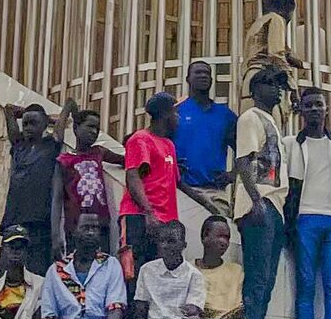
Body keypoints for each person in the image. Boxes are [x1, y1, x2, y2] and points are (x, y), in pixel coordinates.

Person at [284, 86, 331, 319]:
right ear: (300, 109)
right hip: (304, 221)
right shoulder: (291, 144)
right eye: (309, 105)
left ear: (327, 108)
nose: (314, 109)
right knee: (306, 285)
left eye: (319, 104)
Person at [231, 65, 290, 319]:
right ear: (255, 90)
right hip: (261, 204)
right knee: (257, 275)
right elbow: (243, 160)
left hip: (275, 205)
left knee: (268, 279)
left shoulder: (273, 122)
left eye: (279, 85)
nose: (277, 89)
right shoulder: (250, 117)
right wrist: (255, 200)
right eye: (270, 83)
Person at [119, 93, 181, 273]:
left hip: (165, 222)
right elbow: (134, 177)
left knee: (159, 274)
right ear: (164, 114)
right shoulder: (140, 139)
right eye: (175, 112)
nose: (178, 117)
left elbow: (176, 181)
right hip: (140, 217)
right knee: (134, 272)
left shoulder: (169, 144)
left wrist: (205, 202)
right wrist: (149, 212)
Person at [3, 104, 65, 275]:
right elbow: (8, 109)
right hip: (13, 219)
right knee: (8, 274)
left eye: (34, 123)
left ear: (45, 125)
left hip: (39, 220)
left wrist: (51, 118)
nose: (28, 128)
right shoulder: (18, 146)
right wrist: (26, 113)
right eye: (26, 123)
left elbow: (67, 108)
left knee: (37, 274)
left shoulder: (50, 145)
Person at [175, 60, 237, 211]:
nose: (203, 76)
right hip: (181, 190)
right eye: (198, 72)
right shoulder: (176, 112)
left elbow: (245, 150)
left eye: (207, 73)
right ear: (188, 79)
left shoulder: (224, 115)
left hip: (214, 192)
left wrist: (232, 175)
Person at [57, 104, 122, 248]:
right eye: (90, 126)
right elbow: (57, 197)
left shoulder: (99, 152)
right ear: (76, 128)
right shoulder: (64, 160)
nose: (94, 132)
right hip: (75, 225)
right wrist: (68, 109)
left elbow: (126, 160)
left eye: (97, 129)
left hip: (101, 223)